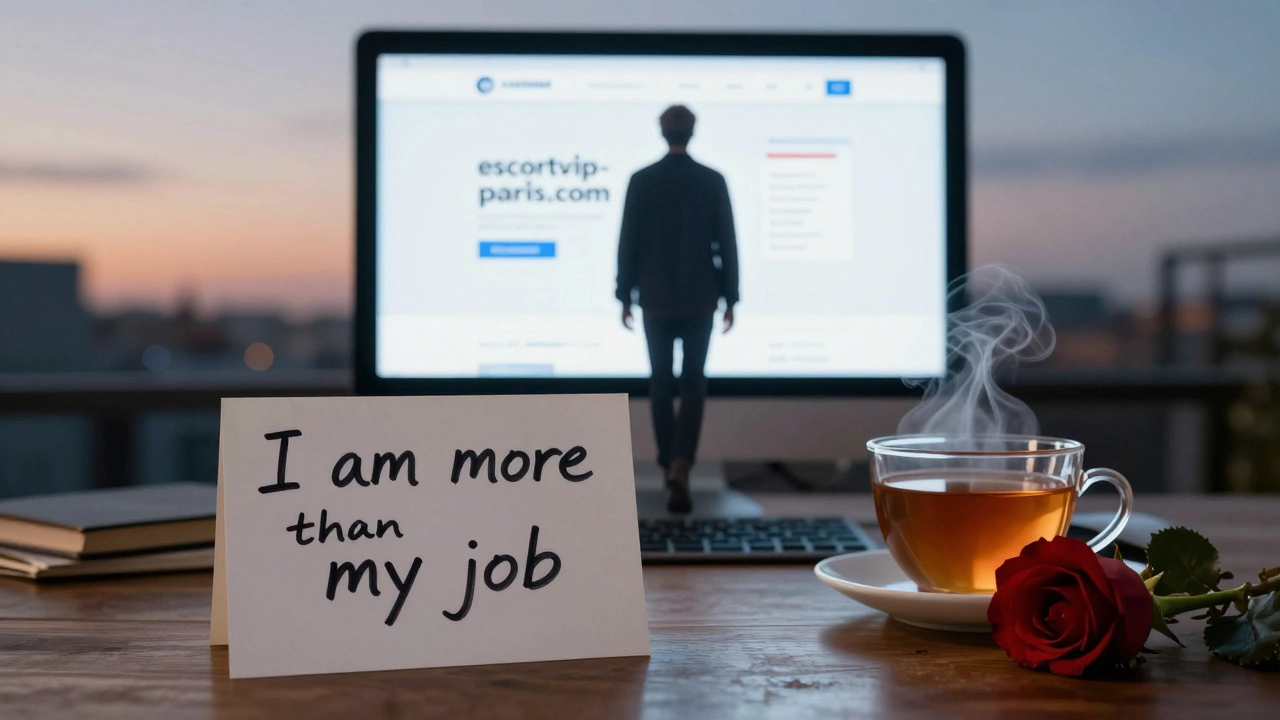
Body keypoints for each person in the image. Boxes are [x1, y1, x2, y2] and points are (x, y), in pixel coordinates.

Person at [615, 105, 739, 514]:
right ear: (694, 131)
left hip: (655, 299)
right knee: (693, 385)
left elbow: (628, 241)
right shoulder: (712, 180)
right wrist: (731, 297)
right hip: (701, 297)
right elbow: (727, 242)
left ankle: (669, 462)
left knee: (661, 384)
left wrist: (624, 294)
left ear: (661, 131)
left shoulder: (642, 181)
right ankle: (682, 463)